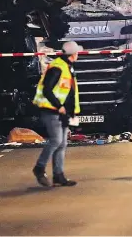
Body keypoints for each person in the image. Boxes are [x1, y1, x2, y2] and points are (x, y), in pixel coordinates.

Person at [32, 41, 82, 187]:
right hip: (52, 110)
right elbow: (47, 89)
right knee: (56, 140)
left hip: (63, 112)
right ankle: (39, 168)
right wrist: (58, 106)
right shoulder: (58, 67)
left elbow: (69, 92)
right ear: (73, 54)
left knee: (62, 143)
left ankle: (58, 175)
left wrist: (71, 112)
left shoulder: (67, 67)